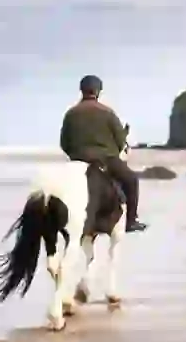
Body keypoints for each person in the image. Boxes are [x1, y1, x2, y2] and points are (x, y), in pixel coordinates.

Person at [59, 75, 148, 233]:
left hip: (78, 160)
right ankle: (131, 221)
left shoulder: (70, 113)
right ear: (98, 91)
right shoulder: (107, 113)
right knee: (131, 180)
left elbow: (64, 144)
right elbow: (121, 142)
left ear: (82, 90)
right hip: (105, 159)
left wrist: (76, 155)